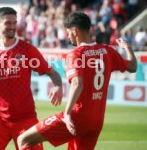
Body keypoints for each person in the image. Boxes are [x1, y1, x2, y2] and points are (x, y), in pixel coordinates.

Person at [17, 12, 137, 150]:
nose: (68, 36)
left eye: (68, 32)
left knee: (23, 140)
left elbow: (77, 84)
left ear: (75, 31)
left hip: (77, 117)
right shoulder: (107, 51)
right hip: (97, 120)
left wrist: (67, 113)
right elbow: (132, 67)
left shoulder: (75, 54)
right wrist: (127, 48)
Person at [0, 6, 63, 150]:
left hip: (25, 119)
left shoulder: (27, 50)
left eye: (14, 23)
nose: (12, 27)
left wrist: (58, 86)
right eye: (7, 23)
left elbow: (52, 72)